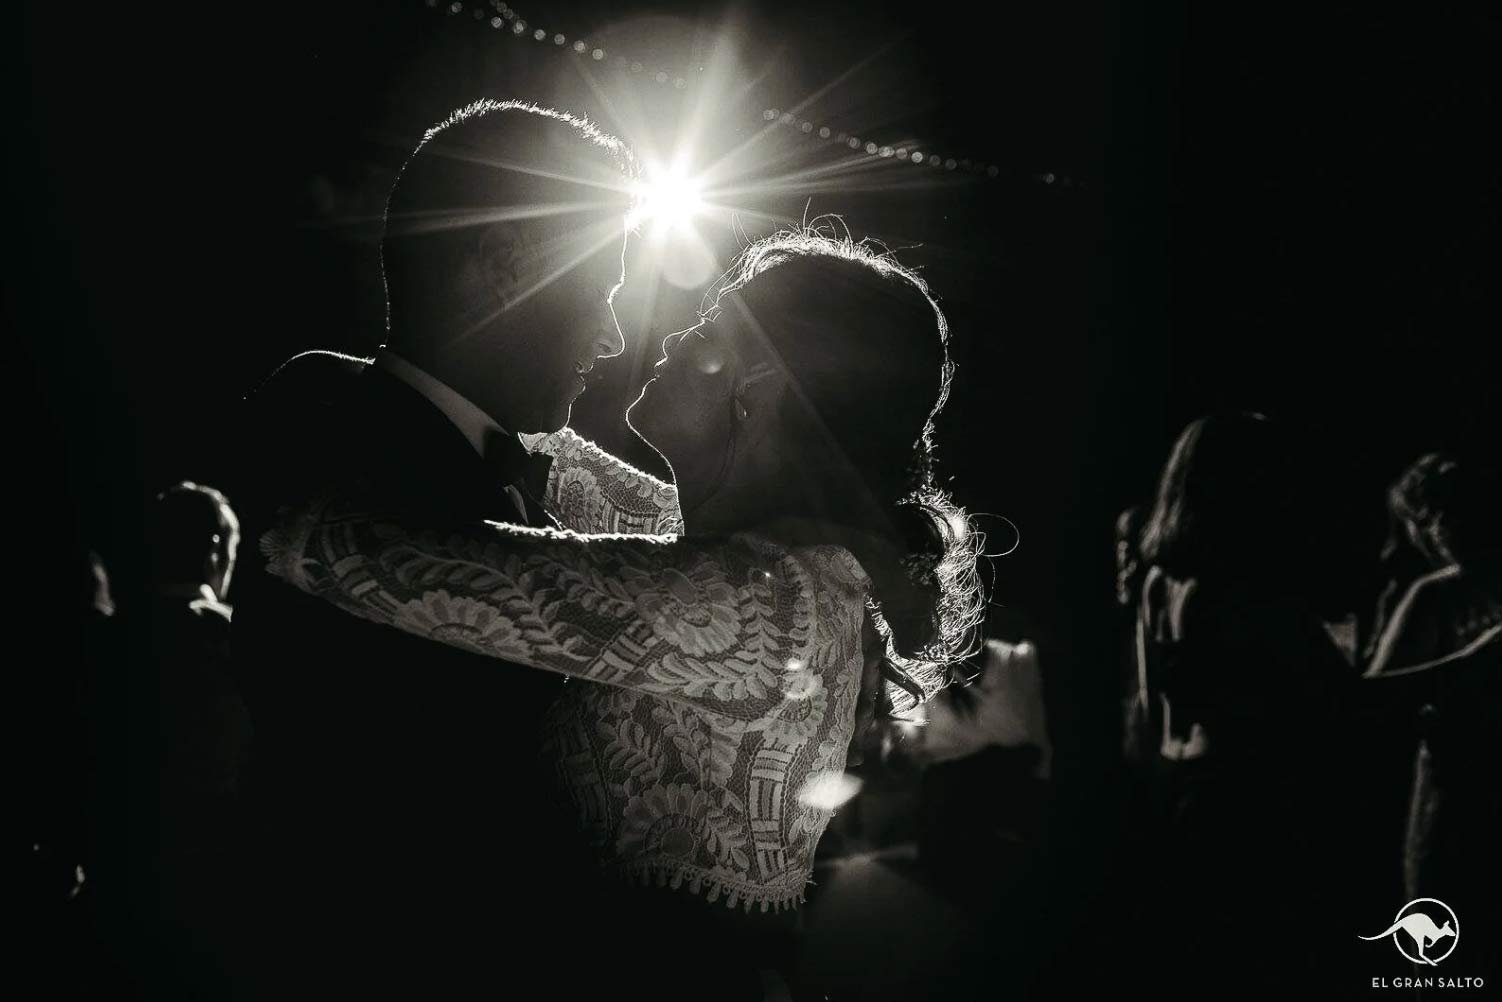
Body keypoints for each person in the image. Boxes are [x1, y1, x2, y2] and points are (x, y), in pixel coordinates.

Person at [258, 226, 986, 1000]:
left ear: (756, 387)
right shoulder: (765, 558)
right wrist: (395, 377)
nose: (671, 337)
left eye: (709, 330)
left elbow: (353, 554)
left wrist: (296, 419)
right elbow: (557, 451)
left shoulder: (755, 602)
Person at [229, 100, 642, 995]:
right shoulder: (333, 440)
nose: (612, 337)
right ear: (502, 267)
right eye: (602, 293)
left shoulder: (509, 467)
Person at [1127, 413, 1370, 986]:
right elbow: (1330, 695)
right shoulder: (1247, 590)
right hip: (1251, 795)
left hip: (1179, 782)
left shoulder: (1159, 578)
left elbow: (1147, 698)